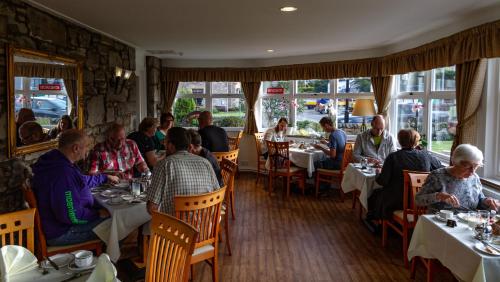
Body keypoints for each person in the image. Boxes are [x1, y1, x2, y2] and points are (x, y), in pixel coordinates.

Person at [31, 129, 119, 246]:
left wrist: (104, 177)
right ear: (76, 148)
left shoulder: (55, 159)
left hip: (57, 224)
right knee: (116, 223)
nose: (87, 150)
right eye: (86, 146)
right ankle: (109, 259)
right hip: (62, 232)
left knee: (109, 213)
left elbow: (80, 180)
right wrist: (97, 214)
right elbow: (71, 215)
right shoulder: (62, 173)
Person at [367, 129, 443, 220]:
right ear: (416, 141)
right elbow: (439, 165)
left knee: (374, 195)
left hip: (396, 202)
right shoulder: (425, 155)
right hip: (421, 201)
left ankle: (378, 223)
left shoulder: (393, 157)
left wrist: (378, 173)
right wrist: (422, 151)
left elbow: (382, 181)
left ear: (400, 141)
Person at [146, 127, 220, 215]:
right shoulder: (205, 163)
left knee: (144, 225)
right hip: (205, 226)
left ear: (170, 145)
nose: (164, 145)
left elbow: (152, 208)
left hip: (174, 227)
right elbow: (217, 195)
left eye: (165, 142)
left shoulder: (164, 165)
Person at [415, 144, 499, 212]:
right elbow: (418, 200)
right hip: (441, 222)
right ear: (455, 162)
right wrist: (439, 196)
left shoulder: (474, 178)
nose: (472, 171)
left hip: (468, 222)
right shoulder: (437, 176)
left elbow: (479, 199)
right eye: (468, 167)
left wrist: (487, 201)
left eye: (476, 167)